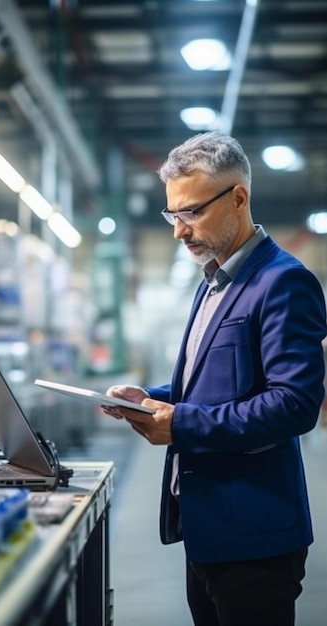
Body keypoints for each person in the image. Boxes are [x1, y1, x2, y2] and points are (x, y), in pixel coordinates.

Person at [105, 131, 327, 626]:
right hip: (207, 528)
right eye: (172, 215)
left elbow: (294, 404)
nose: (179, 231)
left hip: (255, 534)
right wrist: (152, 400)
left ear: (239, 198)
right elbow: (212, 389)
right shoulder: (214, 283)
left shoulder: (283, 282)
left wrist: (180, 425)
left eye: (192, 212)